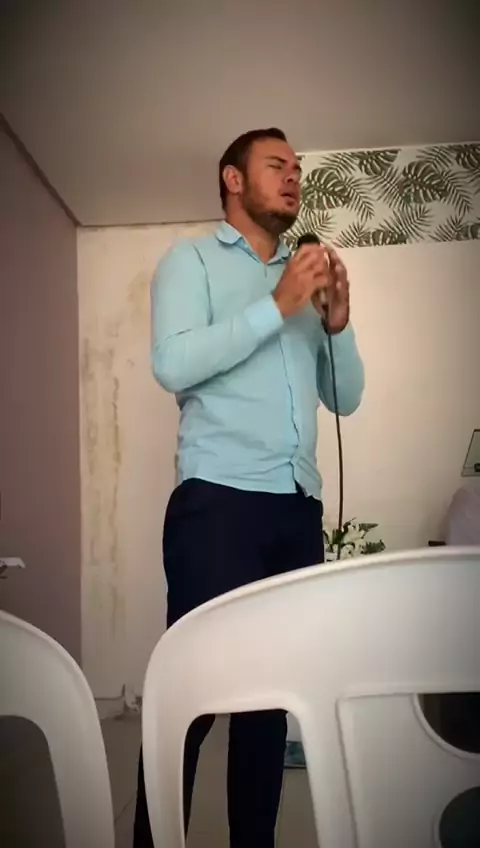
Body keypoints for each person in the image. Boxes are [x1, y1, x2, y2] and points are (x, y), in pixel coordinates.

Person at [133, 127, 365, 848]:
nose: (293, 176)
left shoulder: (305, 275)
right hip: (218, 504)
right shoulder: (192, 261)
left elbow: (346, 397)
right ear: (233, 179)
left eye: (296, 168)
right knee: (193, 697)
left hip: (296, 507)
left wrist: (337, 324)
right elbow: (173, 364)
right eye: (276, 165)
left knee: (269, 702)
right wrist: (277, 305)